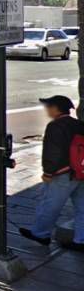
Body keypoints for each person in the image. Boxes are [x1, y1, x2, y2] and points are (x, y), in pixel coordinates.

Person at [19, 95, 84, 250]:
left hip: (63, 174)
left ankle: (41, 234)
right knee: (82, 207)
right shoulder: (79, 124)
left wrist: (48, 172)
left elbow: (53, 152)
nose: (47, 110)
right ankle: (80, 240)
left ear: (55, 108)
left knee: (50, 205)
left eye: (48, 106)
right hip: (81, 171)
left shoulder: (55, 126)